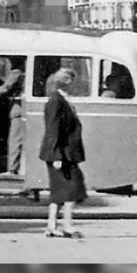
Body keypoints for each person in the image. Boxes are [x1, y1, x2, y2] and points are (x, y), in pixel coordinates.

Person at [39, 68, 86, 238]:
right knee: (71, 190)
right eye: (73, 82)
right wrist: (56, 156)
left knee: (59, 191)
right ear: (66, 83)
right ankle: (67, 225)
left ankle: (51, 226)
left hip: (65, 153)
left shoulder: (62, 100)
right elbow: (53, 129)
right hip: (61, 154)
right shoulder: (56, 101)